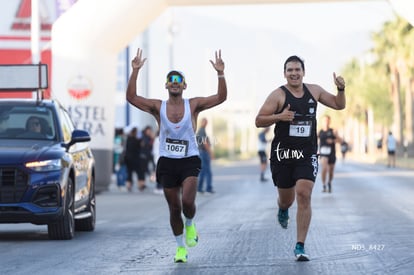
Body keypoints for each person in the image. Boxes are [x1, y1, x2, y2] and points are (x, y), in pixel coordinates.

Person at [126, 48, 227, 263]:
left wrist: (220, 73)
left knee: (188, 202)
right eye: (170, 79)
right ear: (166, 85)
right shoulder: (157, 107)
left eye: (178, 80)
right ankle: (180, 248)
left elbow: (221, 97)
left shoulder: (194, 104)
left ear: (184, 85)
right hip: (167, 162)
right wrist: (135, 71)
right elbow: (131, 97)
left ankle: (190, 224)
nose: (174, 82)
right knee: (174, 208)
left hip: (189, 159)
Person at [255, 55, 346, 261]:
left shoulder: (314, 91)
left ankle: (300, 245)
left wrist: (340, 90)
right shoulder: (278, 95)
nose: (294, 73)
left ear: (303, 72)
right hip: (283, 155)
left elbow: (339, 105)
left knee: (304, 194)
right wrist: (279, 117)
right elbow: (259, 120)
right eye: (290, 70)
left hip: (306, 154)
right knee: (287, 200)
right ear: (284, 73)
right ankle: (282, 207)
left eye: (297, 69)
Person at [318, 115, 339, 193]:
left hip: (332, 153)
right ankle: (324, 185)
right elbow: (315, 140)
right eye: (324, 120)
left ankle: (329, 182)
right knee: (324, 168)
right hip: (323, 153)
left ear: (329, 121)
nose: (326, 122)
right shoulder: (320, 132)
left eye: (327, 120)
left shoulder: (333, 131)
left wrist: (333, 141)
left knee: (331, 171)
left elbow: (340, 140)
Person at [124, 127, 147, 192]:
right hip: (136, 158)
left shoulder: (128, 139)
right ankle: (141, 185)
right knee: (139, 172)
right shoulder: (138, 140)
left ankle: (128, 185)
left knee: (129, 172)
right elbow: (142, 146)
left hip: (128, 158)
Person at [196, 118, 214, 194]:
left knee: (203, 171)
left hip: (201, 152)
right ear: (202, 123)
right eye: (205, 122)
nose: (206, 124)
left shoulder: (200, 131)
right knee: (207, 172)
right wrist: (211, 153)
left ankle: (200, 188)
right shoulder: (202, 131)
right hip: (203, 153)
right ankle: (208, 188)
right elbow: (205, 143)